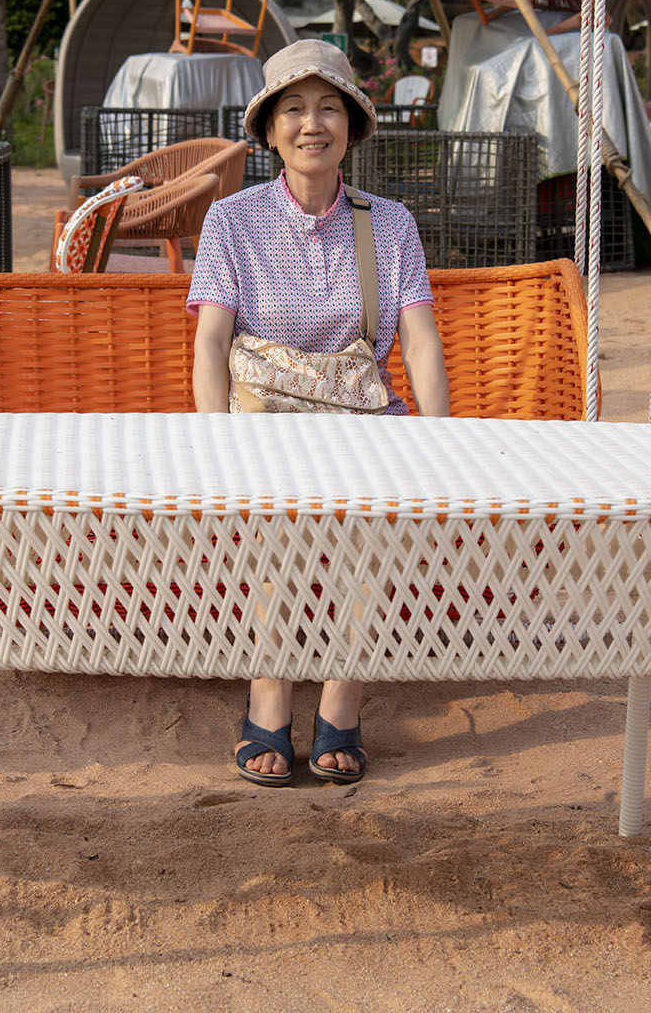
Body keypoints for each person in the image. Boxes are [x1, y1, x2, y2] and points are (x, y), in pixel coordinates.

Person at [187, 39, 450, 786]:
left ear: (352, 127)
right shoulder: (232, 220)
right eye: (294, 109)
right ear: (270, 130)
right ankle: (269, 691)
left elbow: (419, 341)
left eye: (329, 108)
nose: (312, 124)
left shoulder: (389, 223)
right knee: (273, 527)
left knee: (373, 524)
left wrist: (443, 442)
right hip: (263, 429)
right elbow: (211, 342)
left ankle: (343, 695)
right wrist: (214, 442)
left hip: (364, 427)